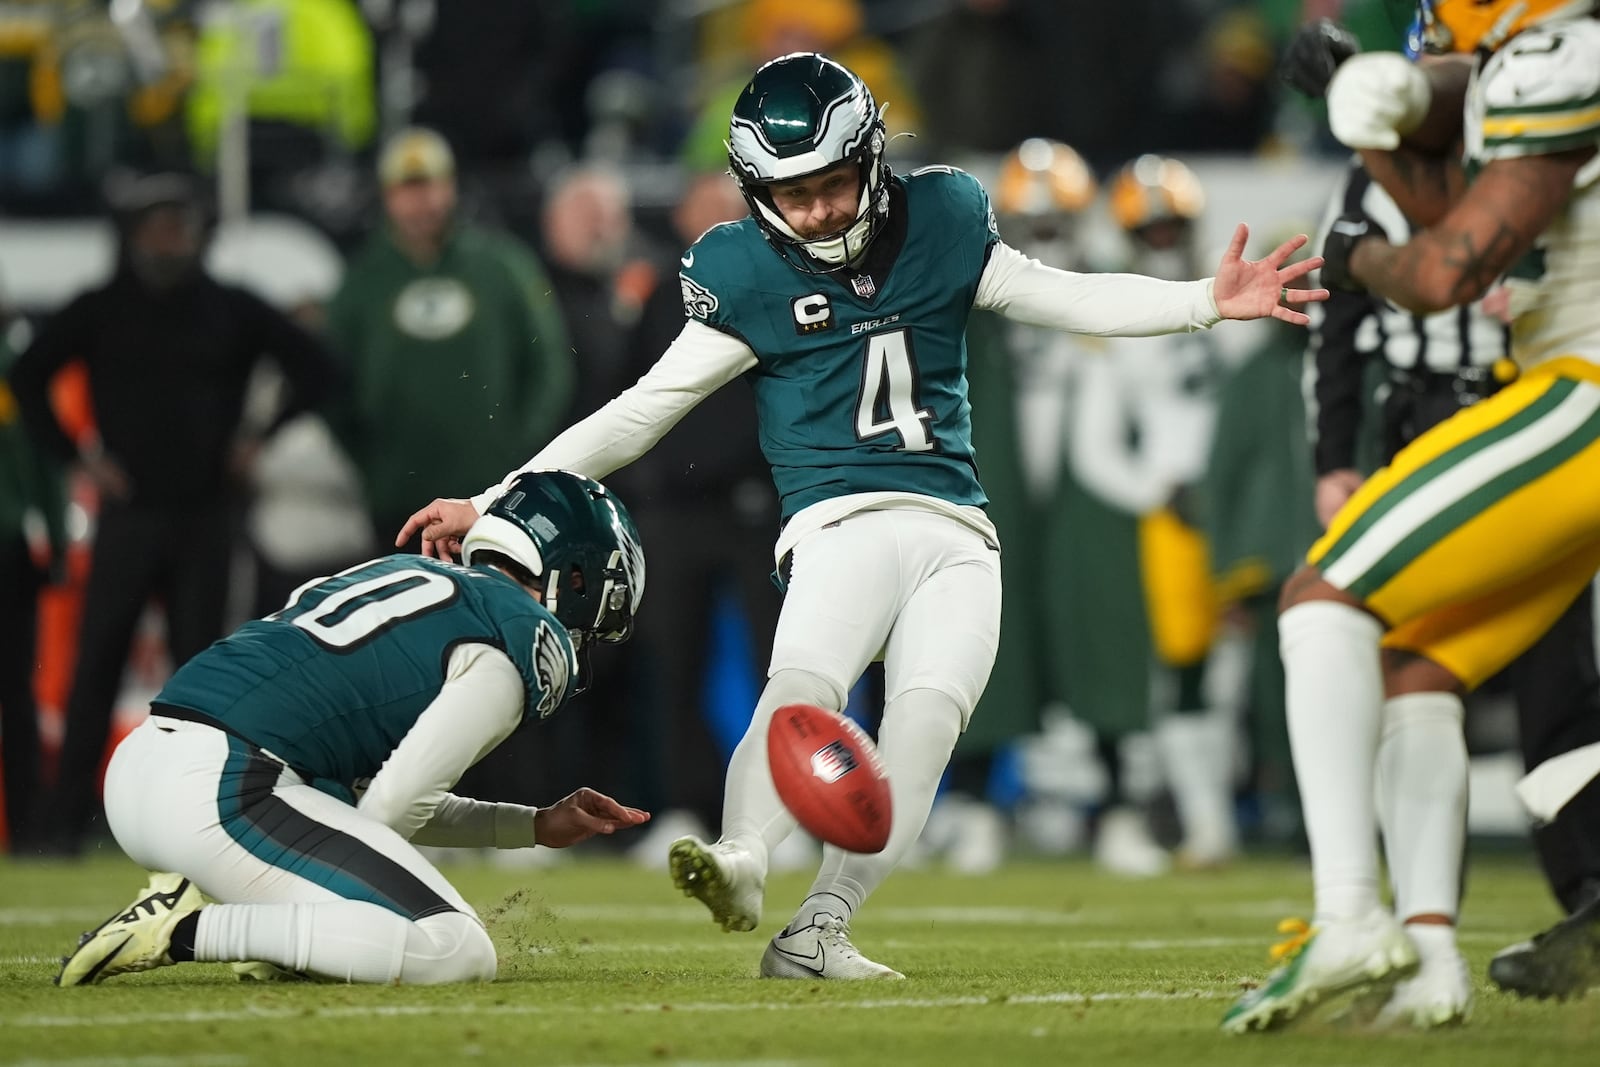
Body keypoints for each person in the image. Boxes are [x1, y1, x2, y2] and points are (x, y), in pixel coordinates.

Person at [399, 52, 1326, 981]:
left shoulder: (945, 220)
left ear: (873, 160)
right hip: (839, 522)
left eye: (832, 185)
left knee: (924, 723)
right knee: (801, 688)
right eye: (791, 193)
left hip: (959, 528)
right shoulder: (743, 271)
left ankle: (821, 929)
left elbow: (1068, 294)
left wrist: (1208, 300)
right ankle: (742, 858)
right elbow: (640, 412)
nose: (815, 212)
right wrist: (490, 498)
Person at [1221, 0, 1600, 1032]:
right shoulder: (1544, 61)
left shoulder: (1564, 55)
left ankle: (1348, 911)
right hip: (1554, 393)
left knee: (1319, 597)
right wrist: (1363, 110)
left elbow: (1438, 271)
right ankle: (1430, 957)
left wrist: (1350, 257)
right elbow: (1442, 172)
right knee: (1416, 664)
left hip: (1578, 395)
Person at [55, 471, 650, 987]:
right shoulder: (514, 631)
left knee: (359, 849)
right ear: (574, 577)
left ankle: (264, 933)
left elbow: (370, 799)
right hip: (225, 784)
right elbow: (395, 806)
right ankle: (184, 930)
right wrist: (342, 909)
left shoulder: (405, 575)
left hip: (151, 768)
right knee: (452, 946)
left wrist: (534, 827)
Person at [8, 172, 342, 856]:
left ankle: (202, 821)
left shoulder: (229, 308)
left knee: (202, 677)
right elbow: (26, 376)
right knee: (93, 668)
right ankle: (59, 829)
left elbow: (321, 370)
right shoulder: (103, 307)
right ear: (131, 238)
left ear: (200, 234)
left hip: (205, 517)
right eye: (155, 225)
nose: (169, 237)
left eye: (180, 224)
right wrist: (77, 456)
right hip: (129, 516)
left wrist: (260, 435)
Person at [326, 126, 574, 559]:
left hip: (490, 500)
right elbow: (327, 380)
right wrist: (371, 467)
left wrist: (518, 458)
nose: (421, 202)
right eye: (407, 188)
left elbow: (550, 365)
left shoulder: (502, 266)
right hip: (397, 504)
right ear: (386, 195)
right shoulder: (361, 281)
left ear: (451, 188)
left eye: (430, 186)